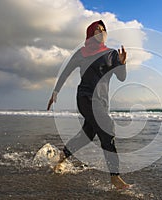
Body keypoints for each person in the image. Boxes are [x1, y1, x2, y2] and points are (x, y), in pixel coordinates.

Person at [47, 20, 130, 189]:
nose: (101, 32)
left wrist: (122, 63)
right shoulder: (82, 53)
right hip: (85, 98)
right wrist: (56, 91)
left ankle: (62, 156)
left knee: (87, 135)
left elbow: (121, 77)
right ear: (90, 34)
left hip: (101, 101)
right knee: (107, 129)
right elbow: (66, 71)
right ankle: (115, 177)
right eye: (97, 30)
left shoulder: (112, 53)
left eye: (103, 30)